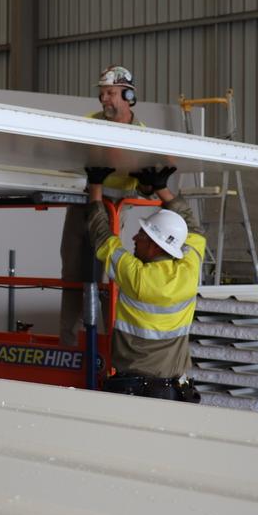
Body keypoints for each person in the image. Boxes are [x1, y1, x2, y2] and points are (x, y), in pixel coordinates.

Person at [85, 164, 204, 402]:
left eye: (142, 235)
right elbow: (193, 228)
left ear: (156, 245)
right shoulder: (189, 269)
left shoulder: (138, 277)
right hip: (175, 391)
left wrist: (95, 187)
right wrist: (162, 189)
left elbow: (102, 238)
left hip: (134, 392)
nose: (134, 238)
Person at [59, 65, 147, 345]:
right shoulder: (89, 123)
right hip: (82, 204)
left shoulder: (142, 134)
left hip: (114, 210)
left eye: (110, 93)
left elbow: (142, 180)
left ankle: (112, 344)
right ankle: (68, 344)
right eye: (102, 94)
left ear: (128, 95)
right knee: (72, 273)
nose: (104, 99)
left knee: (110, 274)